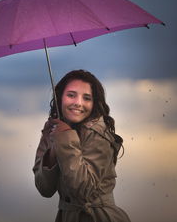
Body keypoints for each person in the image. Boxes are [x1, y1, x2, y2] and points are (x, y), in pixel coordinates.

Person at [33, 70, 131, 222]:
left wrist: (65, 138)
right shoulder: (52, 130)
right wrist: (52, 151)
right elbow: (44, 189)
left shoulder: (98, 133)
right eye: (71, 95)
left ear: (94, 103)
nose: (78, 103)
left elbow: (83, 189)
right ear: (60, 97)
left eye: (87, 98)